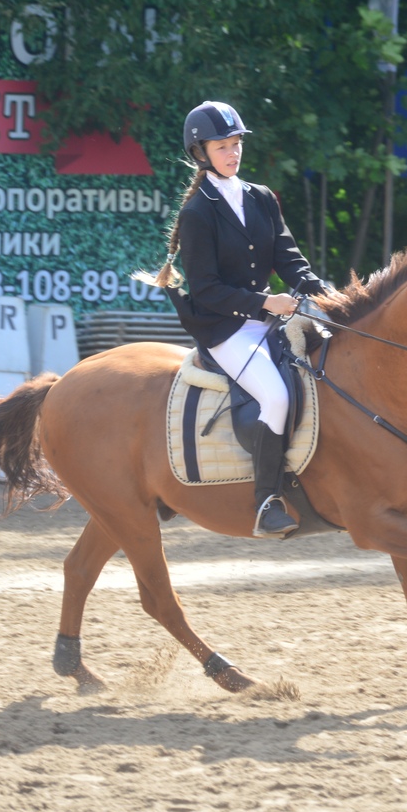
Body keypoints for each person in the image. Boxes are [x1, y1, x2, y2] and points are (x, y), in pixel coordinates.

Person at [140, 101, 329, 538]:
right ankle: (267, 501)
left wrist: (322, 292)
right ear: (201, 153)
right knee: (277, 397)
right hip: (226, 329)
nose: (233, 153)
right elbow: (206, 290)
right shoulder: (197, 214)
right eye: (222, 146)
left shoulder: (260, 198)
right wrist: (266, 304)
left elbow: (290, 259)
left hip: (270, 320)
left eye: (236, 144)